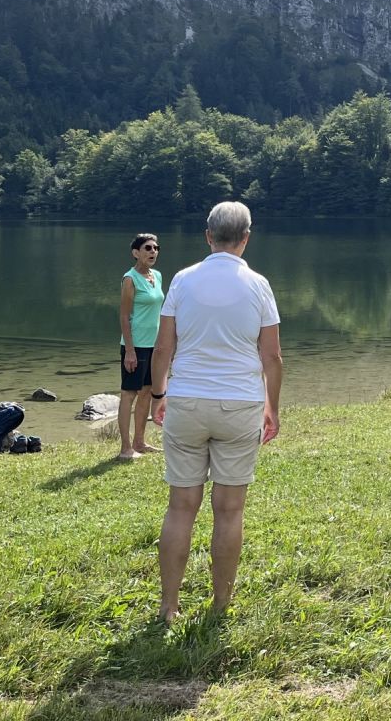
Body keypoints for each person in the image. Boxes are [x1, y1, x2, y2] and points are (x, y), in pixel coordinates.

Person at [150, 202, 283, 623]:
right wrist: (272, 408)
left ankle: (169, 607)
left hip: (187, 401)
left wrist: (158, 395)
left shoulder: (182, 280)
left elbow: (163, 347)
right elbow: (273, 357)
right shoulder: (259, 284)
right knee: (229, 510)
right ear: (246, 237)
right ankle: (220, 606)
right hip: (240, 403)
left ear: (208, 235)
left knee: (180, 507)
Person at [118, 232, 164, 461]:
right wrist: (129, 350)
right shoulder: (130, 279)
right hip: (135, 345)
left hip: (154, 346)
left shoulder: (157, 276)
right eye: (148, 248)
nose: (153, 252)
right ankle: (125, 448)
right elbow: (125, 317)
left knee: (147, 392)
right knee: (129, 393)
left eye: (156, 248)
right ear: (136, 253)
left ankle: (140, 441)